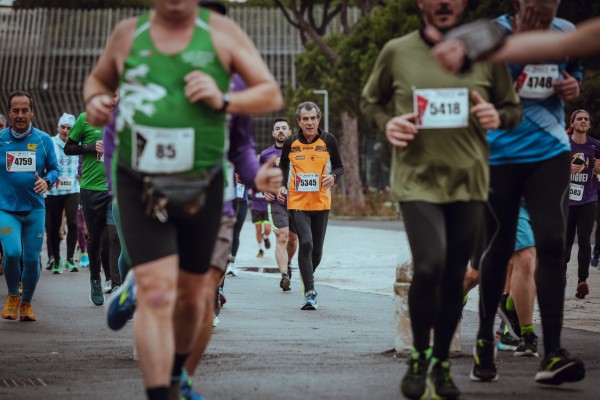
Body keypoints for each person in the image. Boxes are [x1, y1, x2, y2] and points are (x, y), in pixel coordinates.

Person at [83, 1, 283, 400]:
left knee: (195, 299)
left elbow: (268, 97)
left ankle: (175, 375)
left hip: (203, 186)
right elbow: (97, 83)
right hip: (138, 183)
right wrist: (94, 101)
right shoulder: (128, 35)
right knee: (158, 290)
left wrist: (224, 101)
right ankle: (160, 391)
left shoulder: (224, 35)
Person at [360, 0, 522, 397]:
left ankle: (442, 365)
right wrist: (387, 123)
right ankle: (418, 354)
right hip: (417, 180)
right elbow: (370, 102)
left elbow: (512, 109)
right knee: (429, 266)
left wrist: (498, 118)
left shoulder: (485, 56)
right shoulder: (397, 51)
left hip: (468, 182)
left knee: (453, 275)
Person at [464, 0, 585, 386]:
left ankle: (552, 353)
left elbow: (573, 78)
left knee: (550, 241)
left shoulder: (566, 31)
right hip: (499, 152)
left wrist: (572, 87)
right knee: (499, 247)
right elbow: (469, 86)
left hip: (550, 149)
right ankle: (485, 338)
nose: (544, 5)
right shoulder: (493, 34)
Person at [0, 90, 59, 321]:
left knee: (32, 259)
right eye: (16, 110)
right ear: (9, 112)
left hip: (34, 210)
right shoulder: (1, 140)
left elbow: (54, 168)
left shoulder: (43, 140)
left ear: (32, 112)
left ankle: (26, 304)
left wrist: (48, 181)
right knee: (13, 252)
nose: (20, 115)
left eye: (25, 110)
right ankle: (13, 295)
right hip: (6, 210)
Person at [279, 101, 343, 310]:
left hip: (321, 202)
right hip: (297, 202)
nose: (309, 122)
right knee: (305, 243)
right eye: (305, 119)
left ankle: (306, 276)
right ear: (299, 121)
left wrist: (333, 176)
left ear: (318, 119)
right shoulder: (291, 143)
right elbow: (283, 168)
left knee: (316, 252)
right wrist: (281, 186)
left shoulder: (328, 140)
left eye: (313, 118)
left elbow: (340, 167)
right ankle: (310, 292)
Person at [65, 92, 122, 305]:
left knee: (115, 236)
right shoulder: (85, 118)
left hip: (115, 188)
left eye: (115, 94)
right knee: (96, 238)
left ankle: (117, 285)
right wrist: (90, 147)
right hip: (91, 188)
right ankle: (95, 279)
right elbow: (68, 148)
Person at [564, 109, 600, 299]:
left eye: (586, 119)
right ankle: (560, 274)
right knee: (566, 242)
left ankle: (582, 281)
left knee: (585, 239)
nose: (583, 121)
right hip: (566, 201)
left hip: (588, 199)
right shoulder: (563, 144)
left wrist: (598, 169)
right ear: (573, 123)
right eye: (580, 119)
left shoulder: (596, 145)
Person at [263, 117, 298, 291]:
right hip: (277, 202)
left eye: (284, 128)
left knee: (293, 240)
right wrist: (264, 190)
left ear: (290, 132)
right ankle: (284, 274)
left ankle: (288, 262)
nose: (281, 131)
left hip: (297, 201)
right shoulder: (266, 155)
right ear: (273, 133)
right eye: (278, 128)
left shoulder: (298, 151)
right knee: (282, 236)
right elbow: (259, 178)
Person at [45, 113, 81, 274]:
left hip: (72, 189)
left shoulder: (77, 143)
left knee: (73, 223)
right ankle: (56, 260)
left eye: (69, 128)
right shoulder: (50, 142)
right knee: (53, 226)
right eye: (63, 127)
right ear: (58, 127)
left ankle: (70, 259)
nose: (66, 131)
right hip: (54, 190)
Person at [249, 185, 271, 258]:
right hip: (255, 208)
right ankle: (260, 249)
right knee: (258, 230)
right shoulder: (254, 179)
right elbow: (249, 190)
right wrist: (250, 191)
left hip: (267, 207)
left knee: (267, 229)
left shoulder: (268, 180)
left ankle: (265, 237)